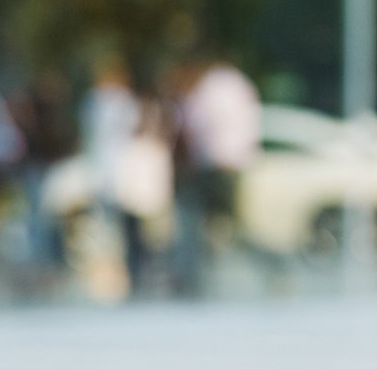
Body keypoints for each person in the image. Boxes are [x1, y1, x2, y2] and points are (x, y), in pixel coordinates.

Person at [170, 57, 262, 296]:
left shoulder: (212, 87)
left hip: (216, 166)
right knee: (216, 225)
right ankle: (192, 277)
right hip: (230, 164)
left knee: (220, 225)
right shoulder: (239, 84)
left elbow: (196, 124)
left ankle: (192, 279)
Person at [81, 57, 154, 298]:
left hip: (111, 175)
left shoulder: (95, 103)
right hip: (118, 176)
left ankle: (117, 277)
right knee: (123, 230)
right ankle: (124, 276)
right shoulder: (121, 103)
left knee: (112, 229)